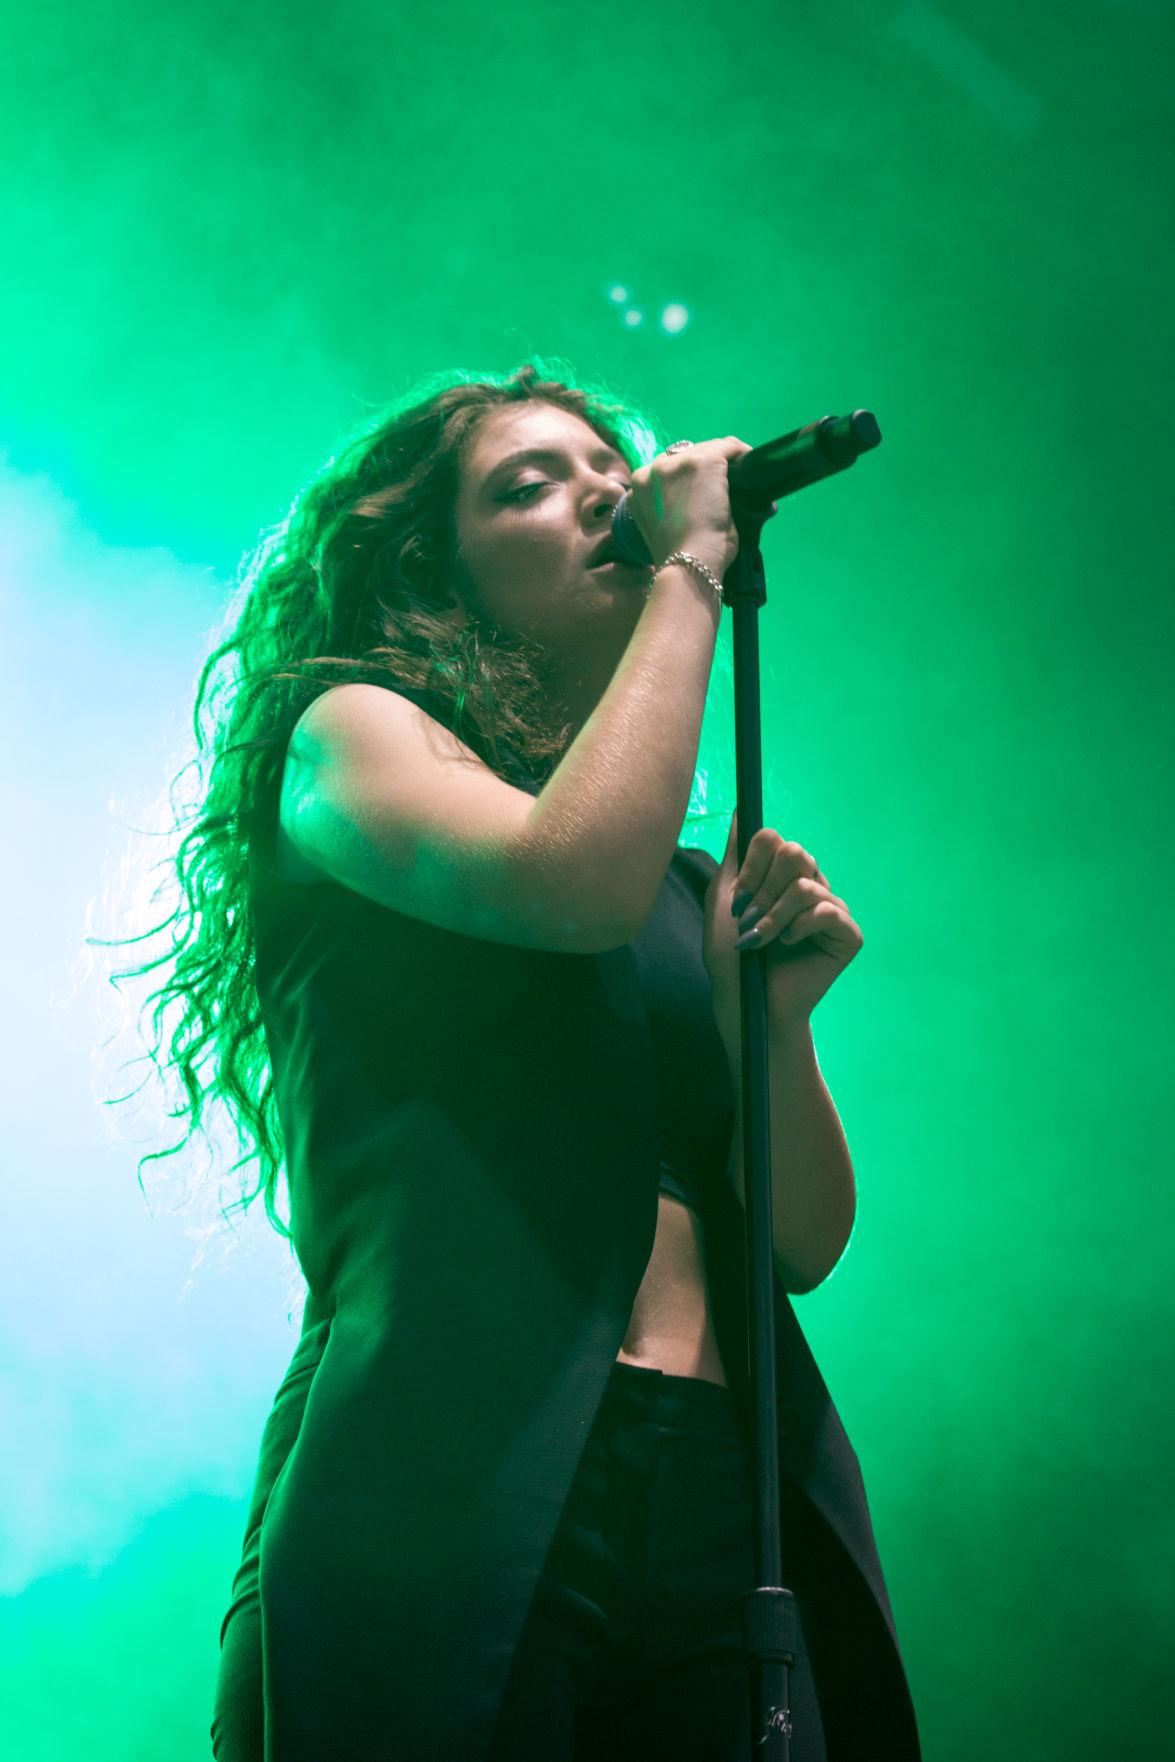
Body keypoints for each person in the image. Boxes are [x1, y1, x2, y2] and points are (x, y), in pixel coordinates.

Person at [112, 361, 919, 1758]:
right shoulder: (353, 737)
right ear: (432, 565)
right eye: (528, 483)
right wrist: (689, 577)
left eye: (611, 467)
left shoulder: (675, 887)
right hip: (447, 1469)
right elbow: (565, 881)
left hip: (723, 1485)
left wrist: (770, 1019)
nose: (605, 492)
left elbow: (801, 1237)